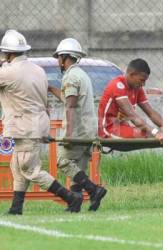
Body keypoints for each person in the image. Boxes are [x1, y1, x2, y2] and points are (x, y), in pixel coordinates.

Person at [0, 30, 83, 214]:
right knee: (18, 165)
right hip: (38, 123)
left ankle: (71, 198)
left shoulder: (8, 72)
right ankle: (16, 207)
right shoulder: (38, 69)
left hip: (25, 126)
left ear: (8, 53)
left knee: (29, 168)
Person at [49, 38, 107, 212]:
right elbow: (69, 98)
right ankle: (75, 204)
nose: (58, 61)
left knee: (63, 161)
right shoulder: (81, 75)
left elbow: (71, 105)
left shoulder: (71, 77)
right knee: (78, 168)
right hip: (88, 130)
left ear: (65, 57)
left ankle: (93, 190)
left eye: (59, 57)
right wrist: (51, 88)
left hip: (77, 129)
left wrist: (69, 133)